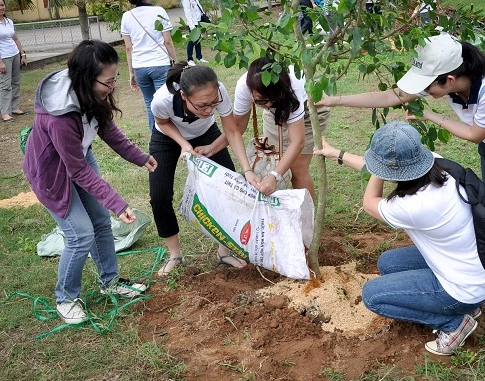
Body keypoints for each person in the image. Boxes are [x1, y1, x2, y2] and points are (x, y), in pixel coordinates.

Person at [318, 32, 485, 317]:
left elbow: (475, 134)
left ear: (450, 80)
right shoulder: (447, 80)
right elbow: (396, 95)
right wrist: (335, 100)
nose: (425, 92)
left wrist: (430, 116)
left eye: (429, 87)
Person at [314, 122, 485, 355]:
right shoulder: (437, 164)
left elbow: (370, 202)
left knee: (373, 296)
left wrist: (378, 167)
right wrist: (337, 154)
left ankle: (453, 324)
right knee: (388, 263)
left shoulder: (415, 206)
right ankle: (462, 307)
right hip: (476, 268)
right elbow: (385, 170)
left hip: (464, 289)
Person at [22, 40, 158, 325]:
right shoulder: (61, 116)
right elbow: (76, 171)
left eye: (114, 78)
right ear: (87, 78)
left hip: (79, 159)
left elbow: (107, 127)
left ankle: (110, 281)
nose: (112, 87)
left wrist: (138, 157)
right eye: (108, 81)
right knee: (80, 234)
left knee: (100, 223)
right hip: (52, 174)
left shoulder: (92, 91)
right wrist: (117, 204)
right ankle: (66, 298)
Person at [150, 63, 259, 276]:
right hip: (167, 137)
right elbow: (162, 123)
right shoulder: (162, 100)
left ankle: (224, 252)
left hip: (206, 132)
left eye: (213, 103)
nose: (209, 110)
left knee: (229, 188)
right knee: (159, 195)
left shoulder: (219, 92)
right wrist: (184, 144)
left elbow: (232, 131)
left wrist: (246, 170)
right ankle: (175, 255)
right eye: (202, 106)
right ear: (183, 95)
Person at [234, 55, 330, 198]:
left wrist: (273, 177)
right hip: (275, 113)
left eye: (273, 99)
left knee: (297, 168)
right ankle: (277, 213)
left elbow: (297, 142)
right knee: (275, 160)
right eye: (261, 101)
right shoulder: (244, 87)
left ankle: (306, 217)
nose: (268, 104)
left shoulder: (292, 86)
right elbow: (235, 130)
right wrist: (211, 148)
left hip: (307, 108)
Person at [121, 0, 178, 132]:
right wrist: (175, 61)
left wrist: (131, 72)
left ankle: (155, 134)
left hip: (139, 65)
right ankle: (169, 135)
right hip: (159, 63)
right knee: (166, 101)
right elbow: (168, 41)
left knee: (149, 103)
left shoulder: (127, 16)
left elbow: (128, 48)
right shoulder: (159, 11)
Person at [0, 0, 27, 122]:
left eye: (2, 5)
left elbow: (15, 38)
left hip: (15, 54)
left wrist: (22, 54)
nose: (1, 7)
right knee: (5, 85)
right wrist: (0, 62)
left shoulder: (9, 21)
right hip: (4, 57)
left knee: (15, 82)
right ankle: (5, 112)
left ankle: (14, 107)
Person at [182, 0, 209, 65]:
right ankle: (189, 59)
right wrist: (191, 25)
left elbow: (199, 8)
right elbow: (187, 12)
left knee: (198, 41)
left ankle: (199, 57)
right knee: (192, 41)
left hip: (198, 21)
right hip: (192, 23)